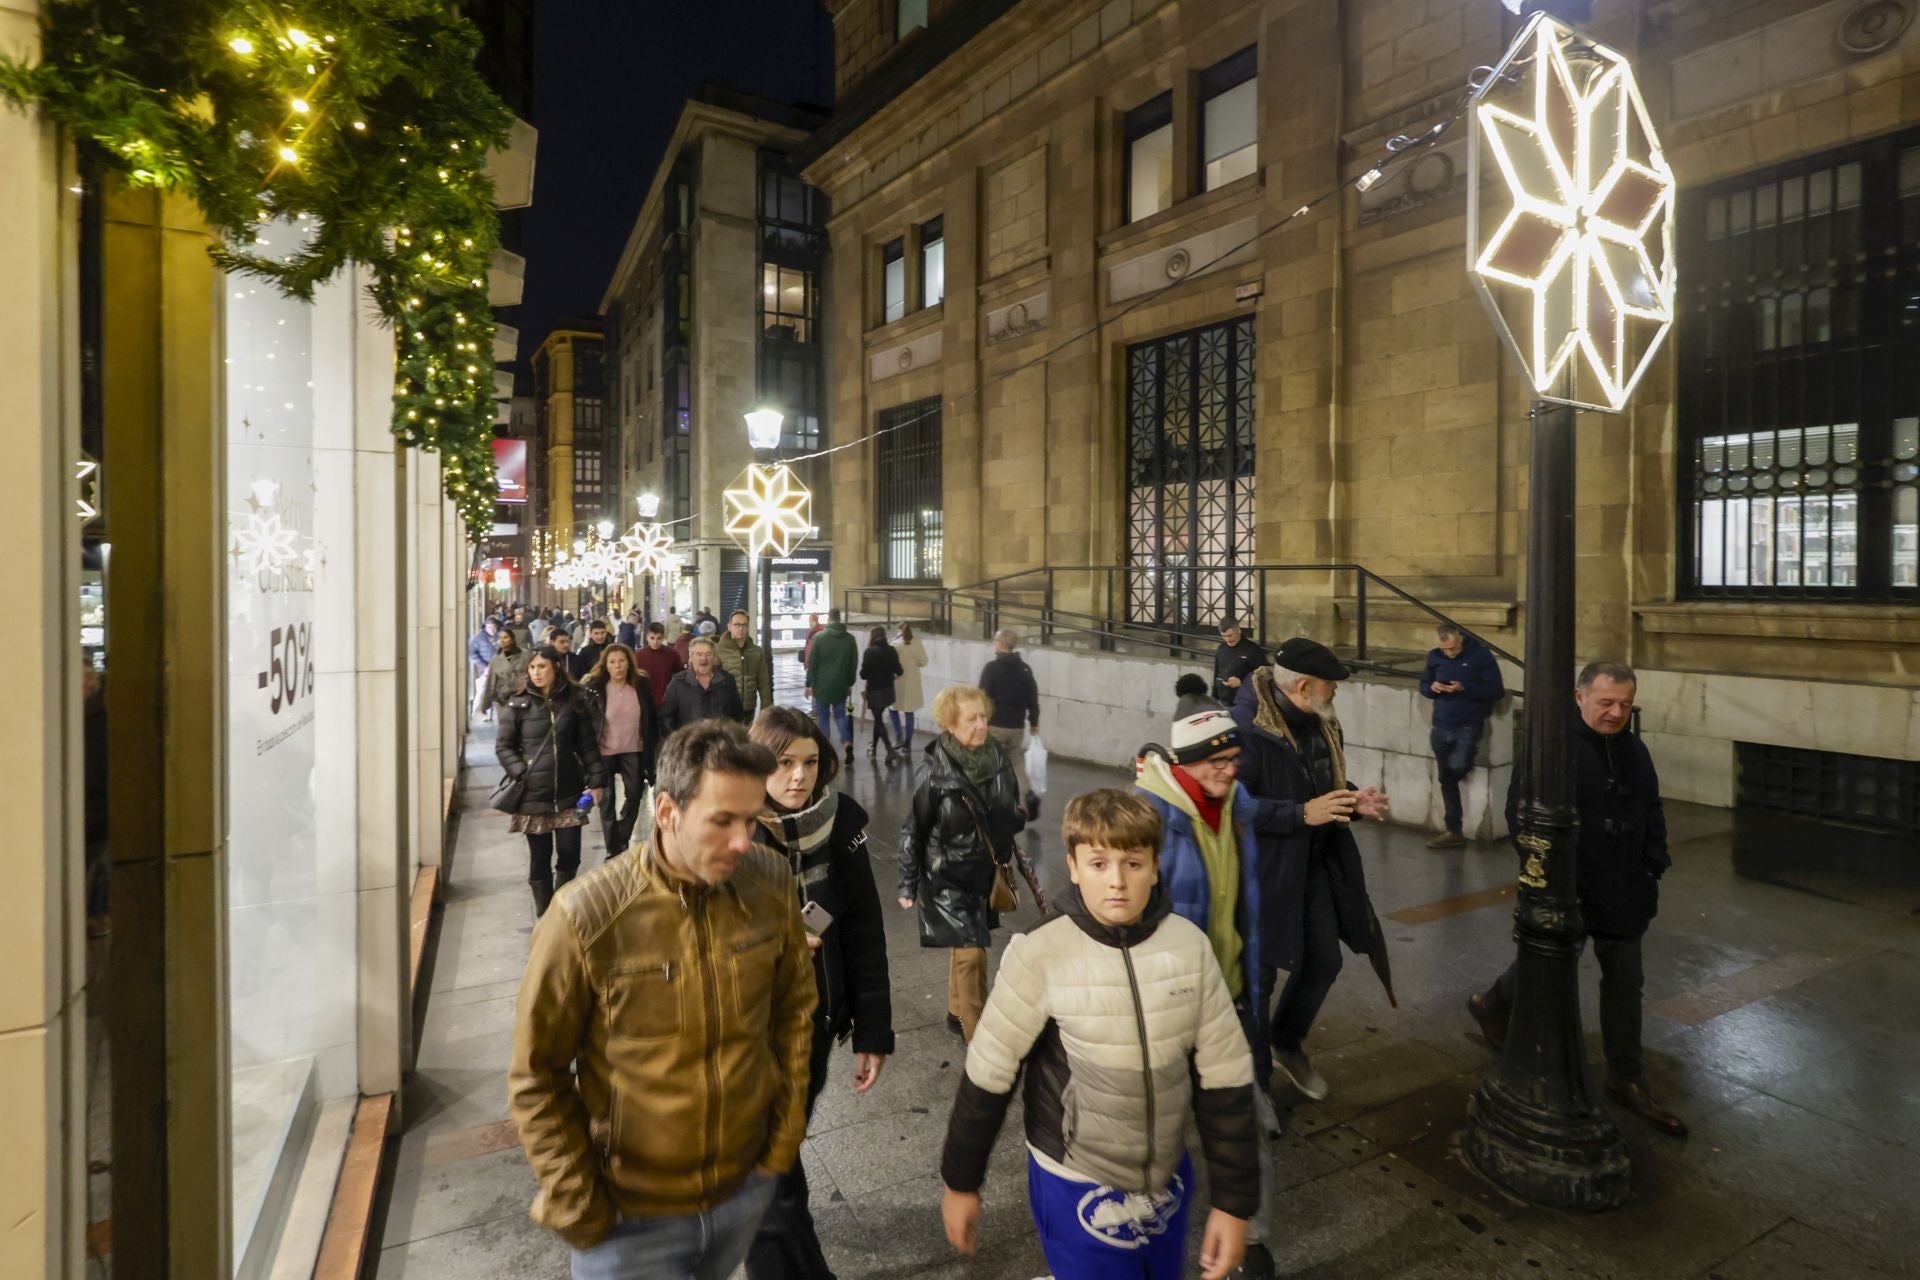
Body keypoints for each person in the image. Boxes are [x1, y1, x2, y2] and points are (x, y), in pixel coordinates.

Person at [508, 720, 815, 1277]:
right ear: (668, 811)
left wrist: (780, 1142)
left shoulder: (768, 883)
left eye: (751, 820)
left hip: (742, 1193)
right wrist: (579, 1204)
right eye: (722, 821)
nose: (743, 842)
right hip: (628, 1223)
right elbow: (537, 1073)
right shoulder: (586, 918)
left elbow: (794, 1012)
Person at [939, 789, 1258, 1280]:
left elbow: (1226, 1077)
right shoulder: (1040, 952)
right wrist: (961, 1183)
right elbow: (988, 1073)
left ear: (1155, 866)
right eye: (1098, 863)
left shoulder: (1189, 947)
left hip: (1167, 1178)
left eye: (1133, 863)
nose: (1116, 882)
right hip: (1075, 1183)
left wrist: (1234, 1204)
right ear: (1072, 866)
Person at [1468, 660, 1685, 1137]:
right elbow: (1521, 811)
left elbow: (1651, 808)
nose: (1616, 713)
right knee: (1551, 959)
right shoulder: (1553, 749)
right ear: (1579, 696)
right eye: (1606, 702)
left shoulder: (1634, 750)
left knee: (1625, 981)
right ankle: (1493, 1003)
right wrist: (1544, 876)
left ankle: (1626, 1078)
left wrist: (1654, 862)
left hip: (1627, 887)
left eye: (1625, 704)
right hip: (1571, 884)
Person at [743, 708, 894, 1280]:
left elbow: (862, 928)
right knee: (769, 1170)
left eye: (809, 763)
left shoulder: (841, 823)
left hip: (815, 1022)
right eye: (783, 764)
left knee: (777, 1160)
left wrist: (873, 1030)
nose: (798, 777)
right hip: (747, 1028)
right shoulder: (732, 828)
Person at [1132, 702, 1281, 1277]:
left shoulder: (1233, 805)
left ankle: (1256, 1238)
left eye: (1234, 758)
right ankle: (1141, 1238)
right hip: (1172, 1007)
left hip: (1230, 996)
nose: (1230, 769)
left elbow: (1268, 812)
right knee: (1158, 1136)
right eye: (1218, 761)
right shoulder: (1149, 816)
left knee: (1245, 1128)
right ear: (1188, 763)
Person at [1229, 638, 1393, 1106]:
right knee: (1256, 983)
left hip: (1316, 863)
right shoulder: (1245, 729)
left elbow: (1325, 784)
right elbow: (1234, 807)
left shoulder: (1320, 722)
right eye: (1331, 687)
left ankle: (1285, 1040)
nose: (1335, 694)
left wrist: (1353, 800)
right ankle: (1253, 1089)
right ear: (1303, 686)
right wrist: (1300, 814)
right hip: (1264, 874)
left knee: (1325, 960)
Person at [897, 684, 1026, 1042]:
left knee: (968, 946)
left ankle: (957, 1012)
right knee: (972, 954)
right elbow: (913, 829)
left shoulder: (997, 758)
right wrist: (907, 881)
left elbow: (1013, 810)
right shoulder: (934, 773)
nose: (981, 725)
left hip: (984, 873)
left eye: (983, 716)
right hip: (946, 876)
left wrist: (1016, 814)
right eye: (972, 719)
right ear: (950, 724)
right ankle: (980, 1038)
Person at [495, 645, 608, 917]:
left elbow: (587, 746)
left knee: (570, 854)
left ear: (556, 667)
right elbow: (504, 746)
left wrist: (597, 781)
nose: (536, 672)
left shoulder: (574, 700)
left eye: (542, 666)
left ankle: (562, 906)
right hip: (533, 796)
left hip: (568, 791)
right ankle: (545, 914)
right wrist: (520, 771)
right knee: (540, 858)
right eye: (532, 667)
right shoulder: (518, 703)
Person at [1419, 622, 1506, 849]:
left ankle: (1453, 827)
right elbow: (1424, 686)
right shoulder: (1435, 657)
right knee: (1446, 778)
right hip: (1441, 724)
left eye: (1453, 649)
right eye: (1445, 650)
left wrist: (1464, 687)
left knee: (1456, 768)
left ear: (1460, 640)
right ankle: (1453, 829)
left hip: (1467, 723)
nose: (1449, 653)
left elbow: (1495, 690)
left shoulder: (1480, 656)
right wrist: (1434, 687)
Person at [582, 642, 656, 858]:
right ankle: (613, 848)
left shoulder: (640, 684)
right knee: (606, 802)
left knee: (634, 794)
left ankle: (621, 834)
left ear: (629, 663)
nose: (617, 666)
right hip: (604, 751)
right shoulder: (595, 687)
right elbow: (588, 722)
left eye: (622, 661)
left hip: (633, 748)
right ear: (605, 664)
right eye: (612, 662)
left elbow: (651, 716)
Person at [977, 630, 1041, 819]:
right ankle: (1028, 794)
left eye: (995, 639)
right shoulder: (1025, 669)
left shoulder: (991, 668)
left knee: (987, 762)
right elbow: (1033, 698)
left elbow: (983, 698)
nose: (993, 642)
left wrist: (980, 721)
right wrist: (1034, 722)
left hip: (996, 725)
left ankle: (988, 804)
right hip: (1017, 726)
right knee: (1015, 761)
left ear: (1001, 644)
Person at [803, 609, 859, 768]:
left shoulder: (819, 638)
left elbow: (812, 664)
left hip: (821, 686)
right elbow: (853, 664)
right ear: (839, 619)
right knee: (840, 716)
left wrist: (809, 684)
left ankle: (825, 751)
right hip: (841, 685)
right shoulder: (850, 640)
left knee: (823, 718)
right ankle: (847, 744)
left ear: (828, 619)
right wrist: (849, 683)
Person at [660, 636, 745, 736]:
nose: (704, 659)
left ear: (714, 657)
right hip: (689, 747)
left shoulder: (727, 681)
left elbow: (738, 716)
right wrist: (679, 743)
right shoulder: (677, 683)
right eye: (699, 654)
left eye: (708, 654)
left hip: (722, 745)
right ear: (691, 657)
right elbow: (666, 718)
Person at [716, 609, 774, 723]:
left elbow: (763, 681)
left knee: (747, 738)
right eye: (737, 624)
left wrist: (766, 707)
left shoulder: (756, 651)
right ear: (729, 626)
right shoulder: (718, 650)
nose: (741, 628)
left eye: (744, 625)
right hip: (726, 709)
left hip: (749, 708)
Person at [859, 626, 905, 764]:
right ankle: (874, 747)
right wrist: (891, 676)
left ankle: (889, 749)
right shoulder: (892, 650)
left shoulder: (869, 652)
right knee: (878, 719)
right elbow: (899, 670)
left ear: (872, 637)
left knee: (878, 719)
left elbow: (863, 674)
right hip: (888, 691)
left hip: (874, 691)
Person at [1211, 617, 1267, 706]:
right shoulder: (1221, 649)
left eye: (1230, 635)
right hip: (1222, 702)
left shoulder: (1253, 650)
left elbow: (1264, 678)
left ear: (1239, 630)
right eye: (1224, 636)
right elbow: (1217, 674)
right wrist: (1213, 700)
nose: (1228, 639)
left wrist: (1241, 683)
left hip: (1244, 703)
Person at [889, 622, 927, 749]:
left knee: (892, 708)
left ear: (898, 630)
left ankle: (898, 735)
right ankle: (908, 742)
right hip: (912, 681)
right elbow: (924, 661)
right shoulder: (916, 642)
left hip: (896, 680)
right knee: (909, 711)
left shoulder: (893, 643)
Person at [634, 621, 685, 705]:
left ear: (663, 637)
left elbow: (680, 675)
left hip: (667, 698)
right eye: (652, 638)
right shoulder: (638, 655)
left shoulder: (672, 654)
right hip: (644, 699)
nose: (655, 642)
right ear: (647, 637)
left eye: (659, 638)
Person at [483, 628, 530, 714]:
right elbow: (491, 682)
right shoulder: (496, 660)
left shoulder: (525, 655)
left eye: (505, 637)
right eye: (500, 638)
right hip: (503, 700)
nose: (502, 640)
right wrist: (485, 704)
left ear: (512, 639)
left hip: (523, 697)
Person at [469, 618, 500, 719]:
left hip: (499, 668)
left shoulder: (500, 636)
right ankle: (477, 714)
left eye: (494, 627)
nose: (492, 629)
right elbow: (472, 653)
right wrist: (483, 666)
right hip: (484, 670)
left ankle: (493, 714)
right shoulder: (479, 638)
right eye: (489, 627)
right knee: (482, 691)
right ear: (485, 627)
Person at [574, 618, 612, 682]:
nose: (600, 636)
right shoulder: (584, 652)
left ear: (606, 632)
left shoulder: (613, 648)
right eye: (596, 633)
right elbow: (582, 674)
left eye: (602, 633)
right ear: (591, 634)